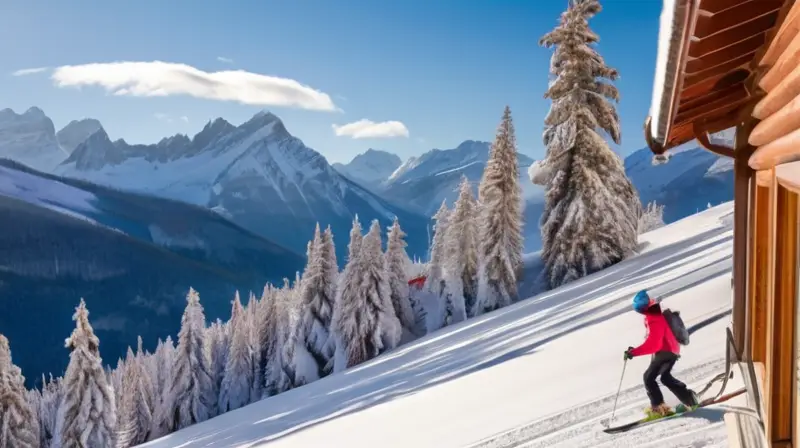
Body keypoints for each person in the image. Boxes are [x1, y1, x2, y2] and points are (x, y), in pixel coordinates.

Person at [624, 290, 700, 418]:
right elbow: (654, 340)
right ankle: (689, 399)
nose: (640, 312)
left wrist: (635, 352)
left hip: (665, 351)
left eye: (639, 309)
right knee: (665, 377)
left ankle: (659, 408)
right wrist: (635, 350)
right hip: (671, 350)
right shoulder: (655, 313)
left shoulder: (653, 317)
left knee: (648, 378)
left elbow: (654, 344)